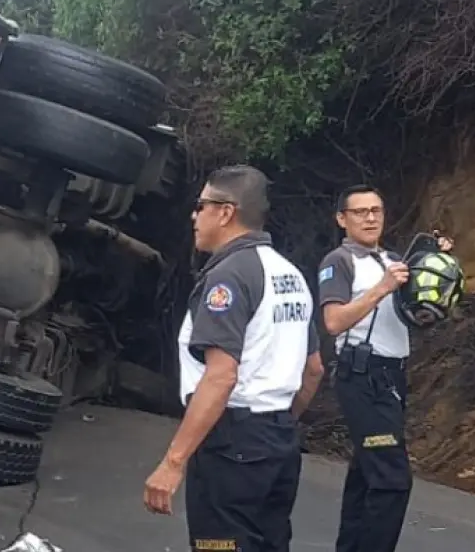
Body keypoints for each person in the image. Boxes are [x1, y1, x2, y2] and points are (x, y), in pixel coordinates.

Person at [144, 164, 325, 552]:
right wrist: (277, 424)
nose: (195, 216)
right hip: (278, 438)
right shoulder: (290, 275)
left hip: (233, 442)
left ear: (225, 212)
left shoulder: (229, 277)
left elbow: (221, 376)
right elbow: (313, 369)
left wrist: (173, 462)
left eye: (202, 205)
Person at [317, 184, 454, 552]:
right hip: (361, 375)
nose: (370, 218)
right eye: (360, 212)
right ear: (342, 219)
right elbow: (333, 322)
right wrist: (382, 287)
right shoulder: (338, 262)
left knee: (366, 474)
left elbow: (420, 309)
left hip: (392, 376)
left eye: (376, 210)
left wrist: (434, 263)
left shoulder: (392, 258)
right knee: (392, 479)